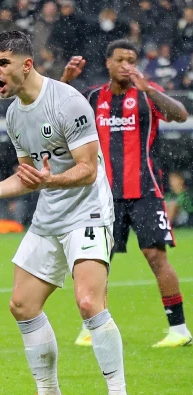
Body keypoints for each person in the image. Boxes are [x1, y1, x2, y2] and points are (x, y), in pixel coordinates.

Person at [0, 30, 134, 395]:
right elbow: (30, 177)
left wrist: (51, 181)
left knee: (89, 302)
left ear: (26, 64)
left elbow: (88, 170)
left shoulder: (67, 102)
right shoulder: (14, 114)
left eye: (3, 63)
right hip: (49, 216)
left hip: (88, 212)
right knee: (22, 305)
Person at [60, 39, 192, 348]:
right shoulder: (93, 97)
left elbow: (181, 115)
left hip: (146, 191)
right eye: (120, 59)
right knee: (97, 260)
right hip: (102, 195)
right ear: (108, 63)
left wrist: (149, 90)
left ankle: (179, 329)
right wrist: (65, 80)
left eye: (131, 60)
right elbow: (55, 112)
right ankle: (92, 327)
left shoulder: (147, 95)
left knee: (156, 256)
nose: (126, 65)